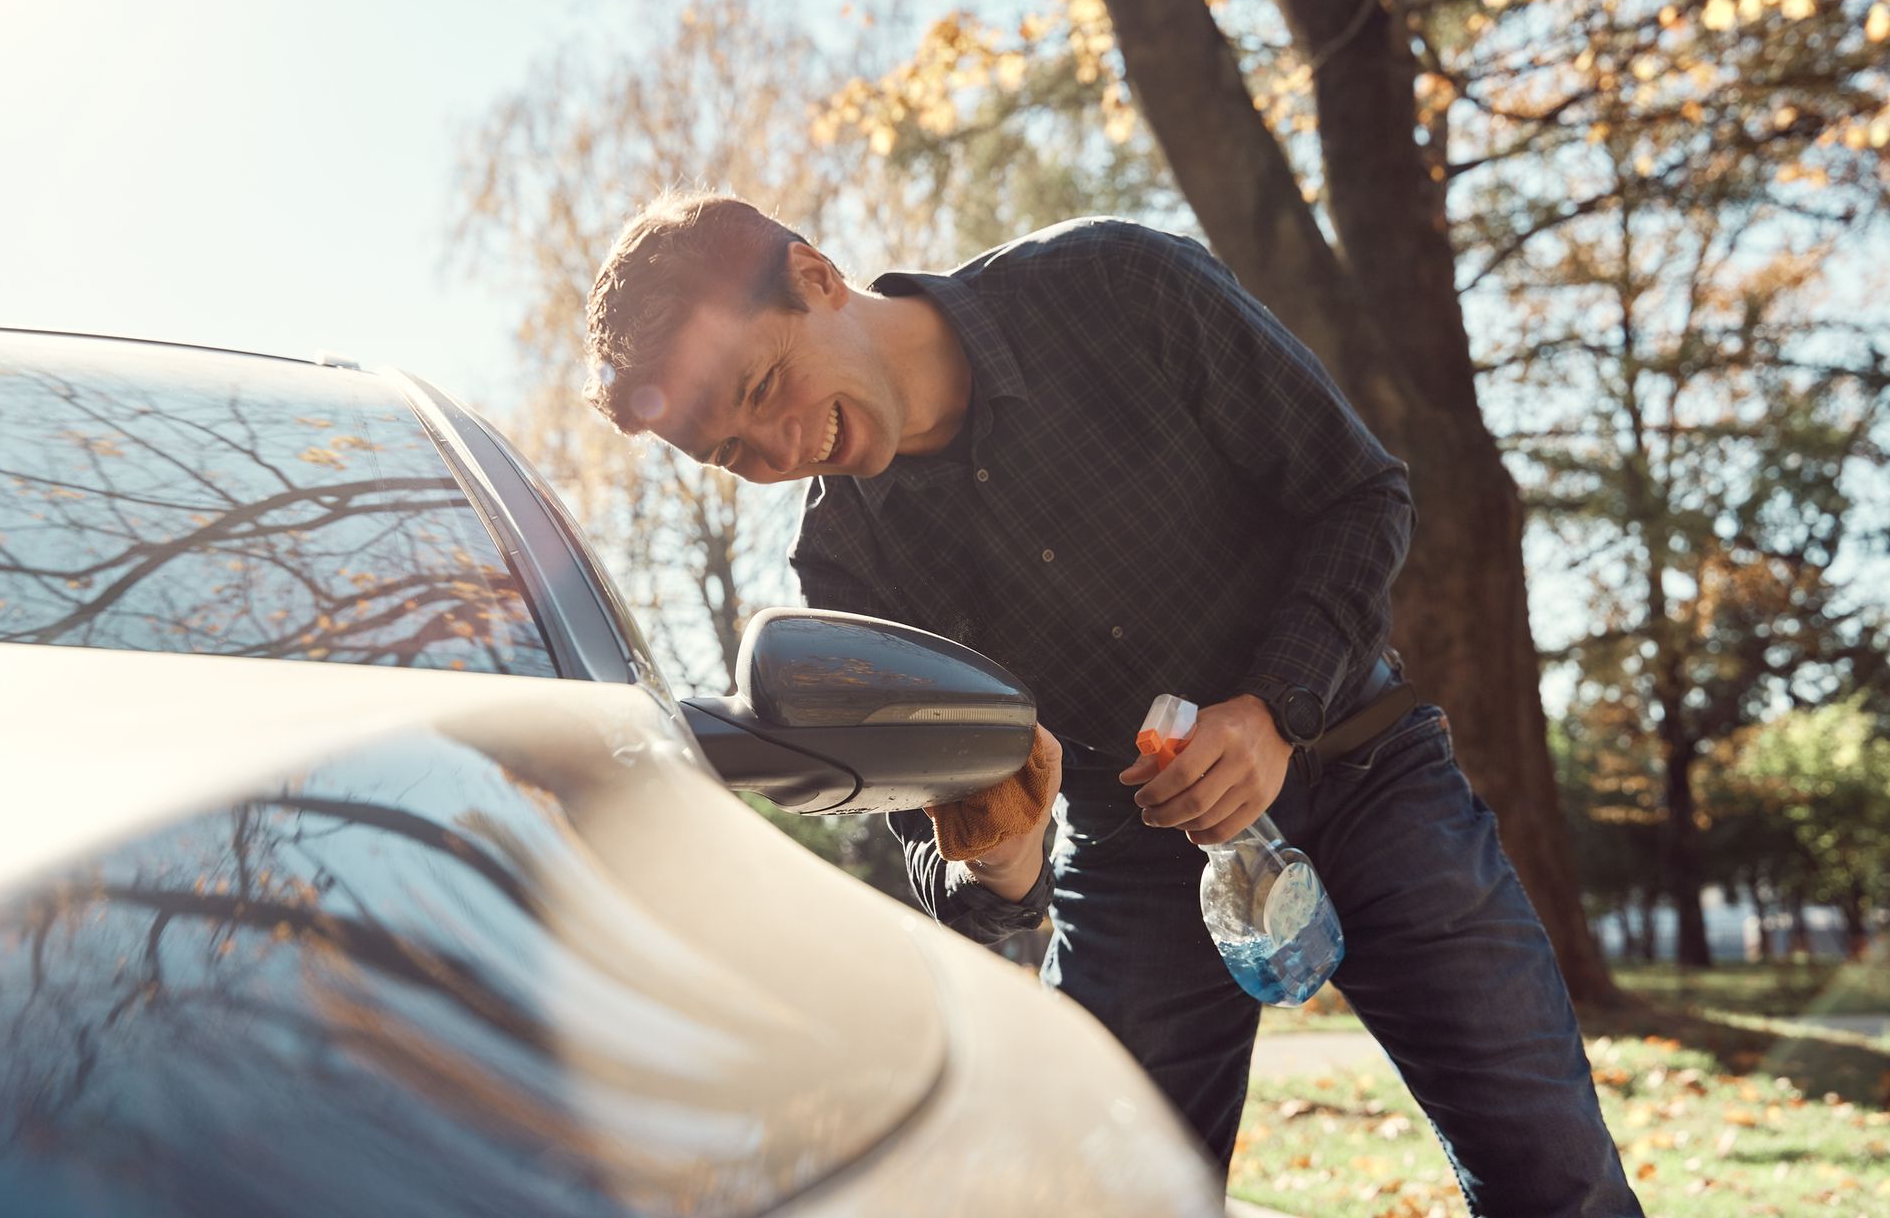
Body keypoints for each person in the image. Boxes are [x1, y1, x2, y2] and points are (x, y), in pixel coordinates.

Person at [582, 191, 1642, 1216]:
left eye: (765, 389)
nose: (772, 451)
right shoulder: (846, 564)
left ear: (816, 278)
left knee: (1553, 1175)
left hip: (1370, 768)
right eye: (729, 453)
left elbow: (1361, 494)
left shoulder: (1117, 283)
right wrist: (996, 856)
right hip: (1135, 854)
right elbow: (938, 849)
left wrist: (1273, 708)